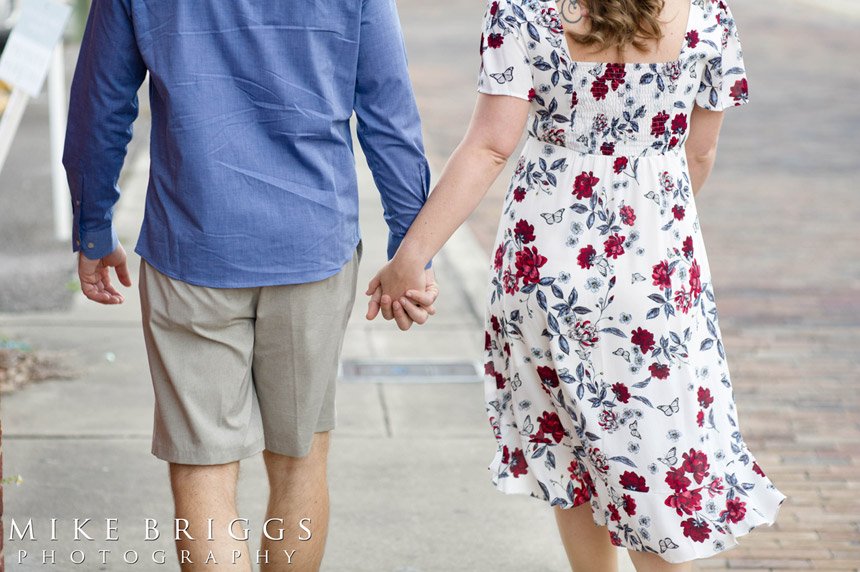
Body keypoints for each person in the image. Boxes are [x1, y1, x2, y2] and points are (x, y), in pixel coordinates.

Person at [365, 0, 786, 568]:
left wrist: (412, 256)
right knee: (658, 463)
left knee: (575, 454)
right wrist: (652, 225)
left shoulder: (522, 10)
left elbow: (490, 147)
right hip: (656, 271)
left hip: (544, 266)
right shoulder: (707, 13)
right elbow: (700, 151)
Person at [63, 0, 438, 569]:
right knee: (300, 457)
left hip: (192, 246)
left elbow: (101, 103)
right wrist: (413, 246)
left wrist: (93, 228)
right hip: (311, 246)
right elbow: (388, 111)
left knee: (202, 465)